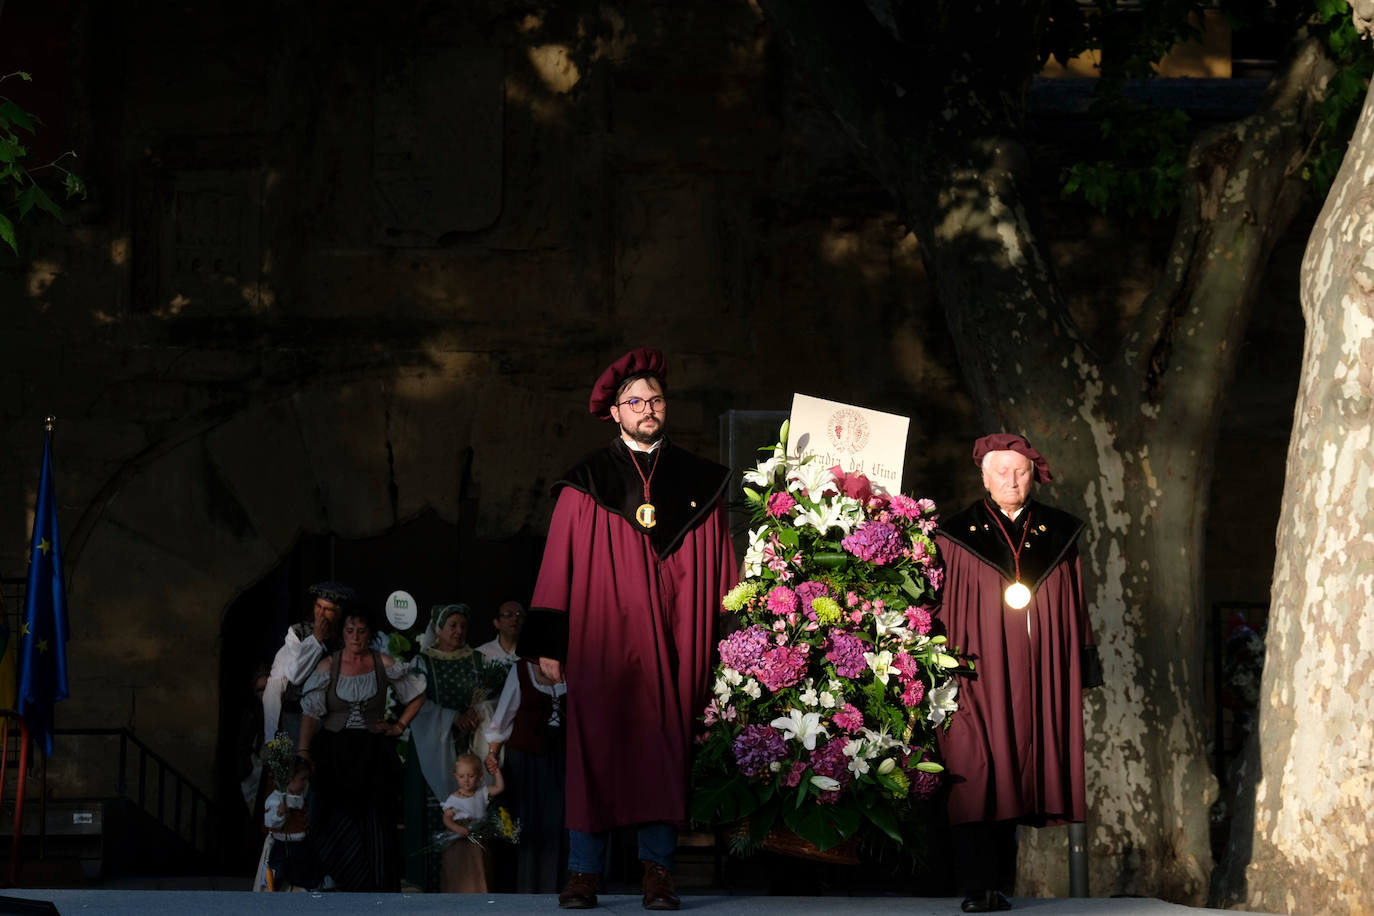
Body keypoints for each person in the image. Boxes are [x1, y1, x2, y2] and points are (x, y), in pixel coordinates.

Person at [521, 347, 737, 911]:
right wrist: (550, 643)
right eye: (635, 401)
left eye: (656, 399)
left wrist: (730, 642)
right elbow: (558, 563)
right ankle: (584, 872)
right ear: (614, 412)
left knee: (663, 747)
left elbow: (721, 567)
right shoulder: (586, 483)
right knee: (595, 748)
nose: (647, 408)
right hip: (601, 642)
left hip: (672, 639)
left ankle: (657, 872)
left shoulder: (699, 483)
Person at [934, 434, 1103, 913]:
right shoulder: (955, 533)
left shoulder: (1059, 533)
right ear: (984, 477)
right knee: (975, 763)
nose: (1011, 480)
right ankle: (975, 883)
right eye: (1001, 471)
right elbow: (943, 603)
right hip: (975, 672)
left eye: (1020, 471)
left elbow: (1076, 605)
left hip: (1035, 672)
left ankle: (996, 885)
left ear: (1033, 476)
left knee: (1017, 766)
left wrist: (1082, 663)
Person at [298, 608, 426, 891]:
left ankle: (377, 890)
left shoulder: (383, 662)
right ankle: (339, 885)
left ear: (370, 634)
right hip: (334, 753)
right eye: (350, 631)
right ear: (342, 634)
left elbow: (417, 696)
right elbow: (310, 713)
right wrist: (304, 752)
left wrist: (399, 726)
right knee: (334, 820)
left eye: (362, 631)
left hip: (372, 754)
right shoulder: (327, 665)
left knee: (377, 823)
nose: (356, 637)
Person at [403, 603, 494, 891]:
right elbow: (418, 705)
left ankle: (469, 883)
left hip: (469, 746)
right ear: (439, 629)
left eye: (463, 626)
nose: (458, 631)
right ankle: (431, 884)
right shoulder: (422, 662)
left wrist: (478, 712)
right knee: (435, 813)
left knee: (473, 808)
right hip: (434, 748)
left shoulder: (477, 660)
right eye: (452, 625)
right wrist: (453, 718)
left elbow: (490, 698)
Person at [484, 657, 569, 892]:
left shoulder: (573, 668)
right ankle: (529, 888)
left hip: (563, 759)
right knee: (529, 823)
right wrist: (493, 754)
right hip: (527, 760)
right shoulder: (521, 670)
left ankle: (562, 887)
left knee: (560, 820)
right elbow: (503, 717)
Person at [262, 582, 352, 746]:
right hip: (292, 717)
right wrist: (316, 639)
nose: (321, 614)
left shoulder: (346, 640)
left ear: (339, 613)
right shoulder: (297, 633)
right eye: (318, 606)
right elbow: (295, 676)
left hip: (329, 720)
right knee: (287, 764)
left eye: (328, 609)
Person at [439, 752, 507, 892]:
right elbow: (446, 818)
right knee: (460, 869)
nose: (466, 780)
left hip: (477, 838)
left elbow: (499, 787)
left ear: (480, 776)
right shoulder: (454, 799)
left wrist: (496, 771)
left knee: (479, 866)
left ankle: (479, 890)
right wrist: (457, 829)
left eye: (471, 776)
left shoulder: (482, 793)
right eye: (461, 776)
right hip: (460, 840)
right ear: (455, 776)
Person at [259, 755, 325, 892]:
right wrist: (279, 814)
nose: (306, 783)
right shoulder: (275, 800)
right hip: (283, 847)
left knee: (305, 874)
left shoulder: (299, 798)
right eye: (303, 779)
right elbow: (270, 822)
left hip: (300, 845)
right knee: (279, 878)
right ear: (288, 779)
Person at [477, 600, 525, 666]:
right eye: (508, 614)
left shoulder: (533, 654)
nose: (515, 618)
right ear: (496, 623)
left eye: (519, 614)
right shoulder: (482, 653)